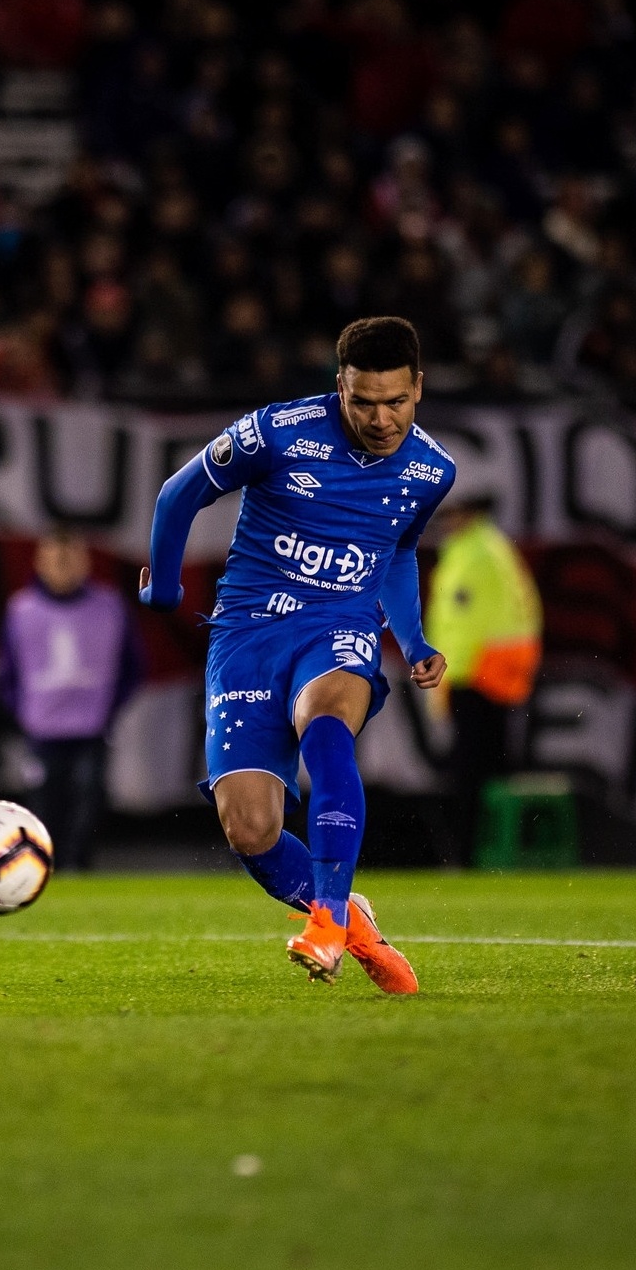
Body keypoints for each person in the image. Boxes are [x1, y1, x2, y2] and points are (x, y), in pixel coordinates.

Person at [139, 316, 455, 990]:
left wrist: (414, 636)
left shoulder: (432, 470)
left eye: (395, 401)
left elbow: (395, 551)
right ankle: (353, 918)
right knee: (249, 826)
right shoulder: (277, 432)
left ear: (418, 389)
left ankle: (327, 920)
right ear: (338, 384)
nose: (379, 417)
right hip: (248, 631)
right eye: (362, 400)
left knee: (326, 721)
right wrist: (164, 590)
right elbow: (177, 494)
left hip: (338, 622)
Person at [0, 529, 145, 871]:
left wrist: (107, 710)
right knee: (42, 811)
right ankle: (42, 873)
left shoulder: (109, 607)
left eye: (71, 555)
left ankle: (79, 872)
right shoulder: (22, 609)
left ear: (86, 562)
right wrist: (24, 715)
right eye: (55, 555)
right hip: (41, 733)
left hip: (90, 731)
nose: (63, 564)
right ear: (39, 561)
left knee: (88, 808)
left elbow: (133, 666)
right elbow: (6, 673)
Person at [424, 494, 543, 867]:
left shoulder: (474, 555)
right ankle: (490, 853)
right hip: (487, 674)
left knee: (471, 773)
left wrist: (444, 676)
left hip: (476, 675)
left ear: (470, 515)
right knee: (490, 768)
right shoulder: (488, 549)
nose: (447, 522)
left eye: (453, 514)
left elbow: (464, 626)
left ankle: (468, 855)